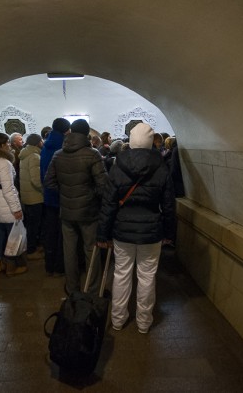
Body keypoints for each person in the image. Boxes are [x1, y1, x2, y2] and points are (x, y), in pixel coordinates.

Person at [97, 122, 176, 334]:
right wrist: (170, 233)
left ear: (130, 141)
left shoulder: (117, 166)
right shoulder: (161, 167)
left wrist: (102, 233)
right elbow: (168, 205)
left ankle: (118, 319)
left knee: (121, 274)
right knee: (147, 276)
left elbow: (109, 203)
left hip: (122, 230)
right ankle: (143, 322)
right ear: (151, 143)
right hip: (151, 231)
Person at [44, 119, 108, 294]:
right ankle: (92, 290)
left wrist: (65, 192)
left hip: (66, 211)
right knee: (91, 251)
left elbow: (49, 182)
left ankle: (72, 289)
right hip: (89, 211)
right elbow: (103, 185)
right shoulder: (92, 154)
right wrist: (89, 194)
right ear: (87, 133)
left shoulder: (58, 154)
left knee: (69, 251)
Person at [0, 133, 27, 276]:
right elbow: (8, 188)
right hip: (5, 203)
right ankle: (10, 266)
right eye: (8, 143)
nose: (9, 145)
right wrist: (16, 209)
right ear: (2, 145)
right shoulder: (4, 162)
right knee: (12, 236)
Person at [40, 118, 70, 277]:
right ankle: (59, 267)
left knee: (50, 232)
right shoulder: (63, 146)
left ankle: (49, 265)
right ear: (67, 130)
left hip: (48, 196)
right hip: (62, 197)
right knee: (62, 235)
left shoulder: (45, 146)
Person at [19, 133, 45, 260]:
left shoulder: (24, 154)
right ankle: (31, 250)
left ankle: (32, 246)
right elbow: (36, 180)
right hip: (35, 196)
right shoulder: (34, 156)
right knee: (34, 225)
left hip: (27, 195)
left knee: (30, 224)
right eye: (41, 141)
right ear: (37, 142)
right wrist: (44, 189)